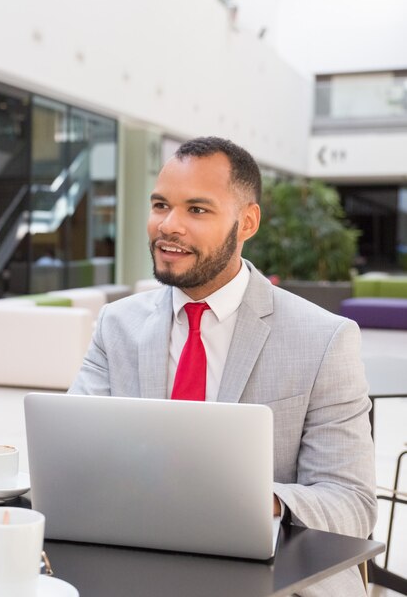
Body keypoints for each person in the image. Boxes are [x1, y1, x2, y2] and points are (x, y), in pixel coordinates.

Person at [69, 136, 376, 595]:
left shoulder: (324, 338)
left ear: (246, 221)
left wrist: (249, 501)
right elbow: (74, 455)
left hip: (272, 573)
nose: (168, 226)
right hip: (136, 561)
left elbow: (351, 502)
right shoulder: (118, 324)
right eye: (160, 205)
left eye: (197, 209)